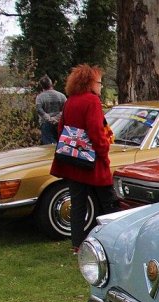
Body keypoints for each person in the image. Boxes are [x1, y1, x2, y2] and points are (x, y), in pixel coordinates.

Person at [49, 64, 116, 253]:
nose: (101, 86)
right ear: (90, 83)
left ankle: (77, 244)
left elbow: (61, 128)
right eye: (99, 83)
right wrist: (104, 153)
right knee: (108, 202)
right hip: (92, 162)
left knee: (77, 205)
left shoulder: (71, 100)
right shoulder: (91, 101)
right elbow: (96, 131)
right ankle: (114, 239)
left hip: (73, 162)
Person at [36, 75, 66, 145]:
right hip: (60, 123)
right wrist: (57, 117)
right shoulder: (61, 95)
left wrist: (49, 118)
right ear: (51, 84)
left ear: (41, 86)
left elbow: (39, 109)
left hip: (45, 123)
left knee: (49, 146)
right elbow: (66, 109)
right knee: (62, 144)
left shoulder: (40, 97)